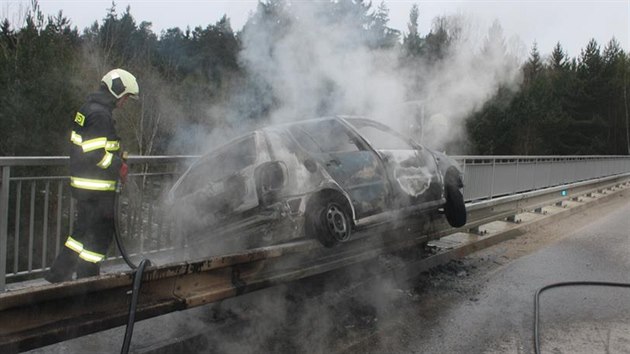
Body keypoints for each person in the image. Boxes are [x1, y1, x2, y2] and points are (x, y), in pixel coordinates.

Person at [45, 69, 139, 283]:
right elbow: (95, 152)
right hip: (96, 188)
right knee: (99, 235)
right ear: (118, 91)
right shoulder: (99, 114)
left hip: (87, 187)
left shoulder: (91, 109)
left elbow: (93, 147)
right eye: (126, 97)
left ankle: (60, 274)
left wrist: (117, 156)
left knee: (82, 233)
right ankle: (85, 279)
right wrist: (118, 166)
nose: (125, 102)